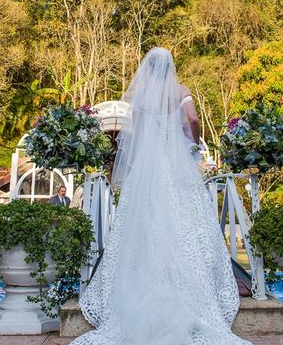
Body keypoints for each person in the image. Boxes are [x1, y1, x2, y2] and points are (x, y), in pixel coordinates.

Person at [72, 48, 250, 345]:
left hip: (148, 166)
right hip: (176, 160)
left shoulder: (141, 97)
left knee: (145, 220)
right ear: (171, 67)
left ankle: (142, 289)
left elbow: (136, 134)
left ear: (149, 69)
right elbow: (192, 118)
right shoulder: (180, 90)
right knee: (186, 219)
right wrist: (191, 141)